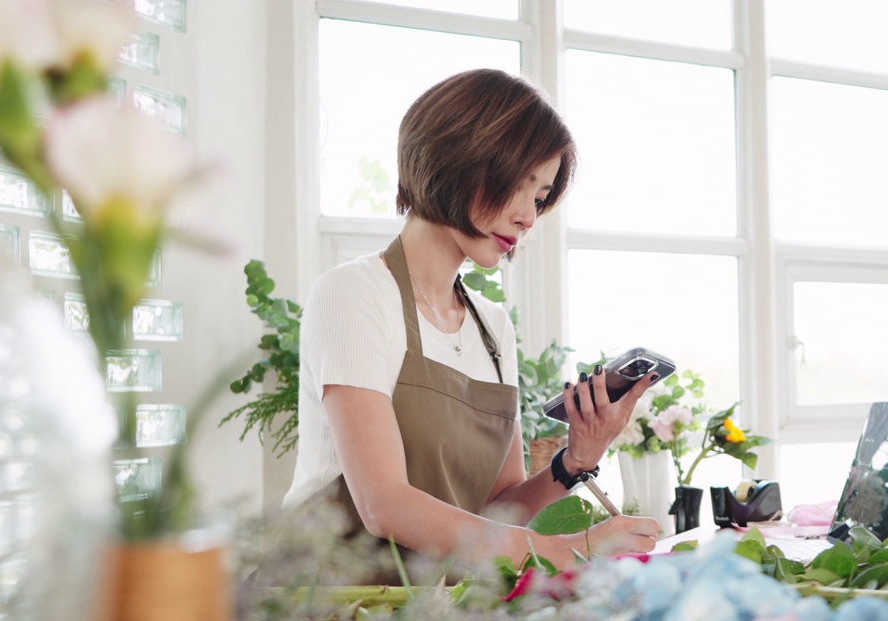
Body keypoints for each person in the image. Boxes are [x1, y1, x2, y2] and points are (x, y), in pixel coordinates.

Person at [281, 68, 660, 581]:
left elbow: (496, 509)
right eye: (520, 185)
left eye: (541, 196)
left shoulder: (492, 328)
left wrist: (575, 460)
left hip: (422, 615)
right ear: (455, 158)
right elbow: (384, 505)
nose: (529, 216)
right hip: (326, 613)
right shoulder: (354, 294)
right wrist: (571, 550)